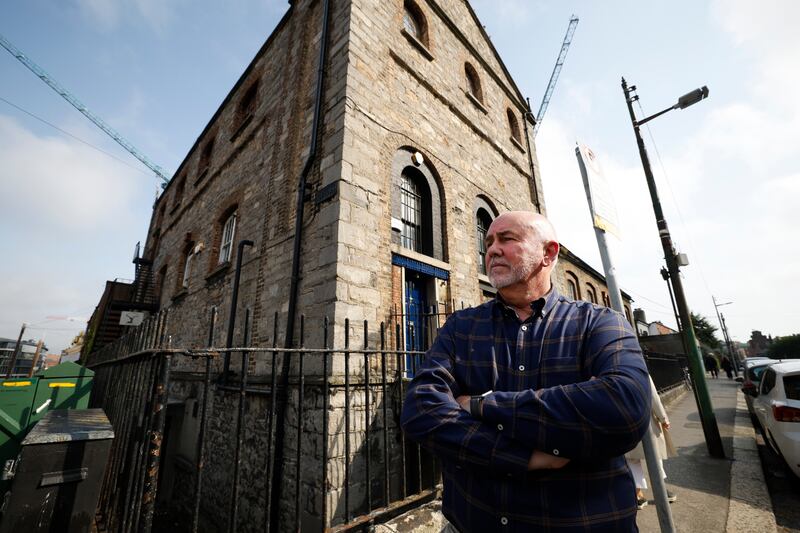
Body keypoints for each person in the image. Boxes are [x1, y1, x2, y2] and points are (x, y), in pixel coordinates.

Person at [400, 211, 651, 532]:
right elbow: (420, 411)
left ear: (548, 253)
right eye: (488, 241)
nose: (491, 249)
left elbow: (624, 408)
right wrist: (524, 456)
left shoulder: (600, 323)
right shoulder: (461, 327)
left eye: (507, 239)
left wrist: (479, 405)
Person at [626, 375, 677, 509]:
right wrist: (663, 418)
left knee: (632, 459)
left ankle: (636, 495)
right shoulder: (636, 365)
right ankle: (661, 490)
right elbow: (653, 395)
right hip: (645, 419)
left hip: (624, 420)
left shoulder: (607, 367)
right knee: (654, 455)